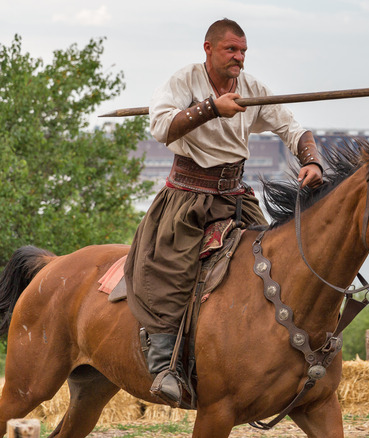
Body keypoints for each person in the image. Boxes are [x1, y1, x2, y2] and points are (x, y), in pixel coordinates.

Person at [124, 18, 323, 406]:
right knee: (169, 269)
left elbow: (292, 127)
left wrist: (311, 160)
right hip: (187, 197)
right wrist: (211, 109)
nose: (239, 58)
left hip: (236, 195)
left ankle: (268, 354)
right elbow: (162, 127)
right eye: (232, 50)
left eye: (244, 51)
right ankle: (164, 363)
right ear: (209, 48)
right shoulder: (184, 82)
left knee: (272, 264)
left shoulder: (252, 89)